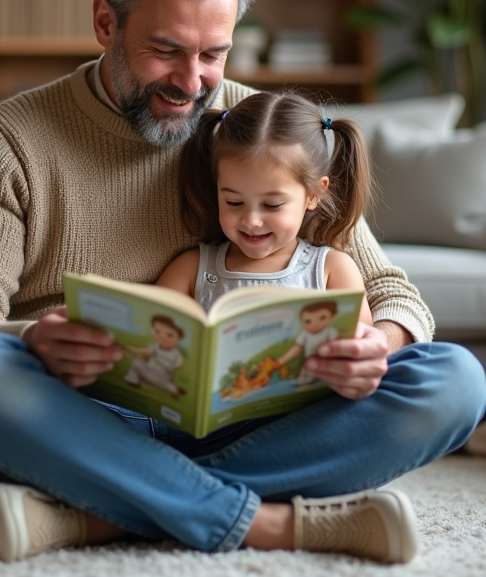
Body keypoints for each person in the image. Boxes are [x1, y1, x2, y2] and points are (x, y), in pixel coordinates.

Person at [0, 0, 486, 565]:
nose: (192, 84)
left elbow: (392, 291)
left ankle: (100, 517)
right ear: (106, 22)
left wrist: (376, 345)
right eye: (166, 51)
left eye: (214, 54)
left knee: (454, 380)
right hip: (63, 429)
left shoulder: (250, 126)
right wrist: (33, 341)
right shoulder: (7, 142)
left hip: (239, 431)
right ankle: (270, 524)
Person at [154, 91, 378, 387]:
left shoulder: (333, 270)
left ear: (314, 194)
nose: (251, 220)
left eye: (272, 205)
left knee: (443, 364)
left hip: (304, 415)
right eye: (234, 202)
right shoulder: (191, 269)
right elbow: (154, 345)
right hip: (205, 423)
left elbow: (361, 362)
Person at [122, 315, 186, 397]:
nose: (162, 337)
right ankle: (174, 389)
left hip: (160, 377)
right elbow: (145, 351)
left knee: (136, 362)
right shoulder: (157, 346)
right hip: (156, 375)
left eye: (170, 335)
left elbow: (179, 365)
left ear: (179, 339)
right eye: (157, 331)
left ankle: (133, 380)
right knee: (137, 361)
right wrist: (131, 349)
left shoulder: (175, 354)